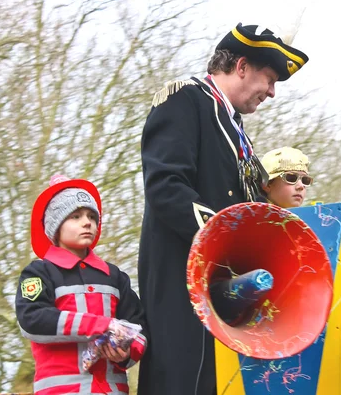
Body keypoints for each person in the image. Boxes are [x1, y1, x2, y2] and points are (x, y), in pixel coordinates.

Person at [137, 23, 309, 394]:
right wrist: (225, 239)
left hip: (229, 293)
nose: (273, 93)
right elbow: (166, 187)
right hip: (185, 284)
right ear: (242, 66)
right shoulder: (184, 98)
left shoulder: (236, 130)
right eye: (270, 79)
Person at [15, 174, 147, 395]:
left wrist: (126, 353)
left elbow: (140, 328)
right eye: (75, 216)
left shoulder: (115, 276)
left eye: (92, 217)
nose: (88, 222)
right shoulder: (38, 272)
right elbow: (32, 319)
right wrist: (101, 325)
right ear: (55, 227)